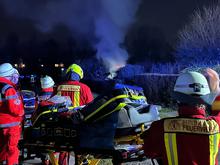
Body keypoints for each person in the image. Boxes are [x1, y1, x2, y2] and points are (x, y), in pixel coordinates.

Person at [142, 70, 220, 165]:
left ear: (178, 98)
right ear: (205, 99)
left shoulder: (160, 127)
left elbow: (149, 152)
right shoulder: (215, 125)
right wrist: (217, 92)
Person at [56, 63, 94, 165]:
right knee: (79, 149)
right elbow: (91, 107)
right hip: (78, 123)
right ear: (78, 75)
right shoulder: (84, 88)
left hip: (61, 122)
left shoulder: (59, 86)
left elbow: (53, 102)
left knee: (63, 148)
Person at [0, 63, 24, 165]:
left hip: (2, 125)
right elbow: (15, 109)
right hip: (10, 127)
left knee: (2, 150)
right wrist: (22, 111)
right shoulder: (8, 89)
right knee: (12, 151)